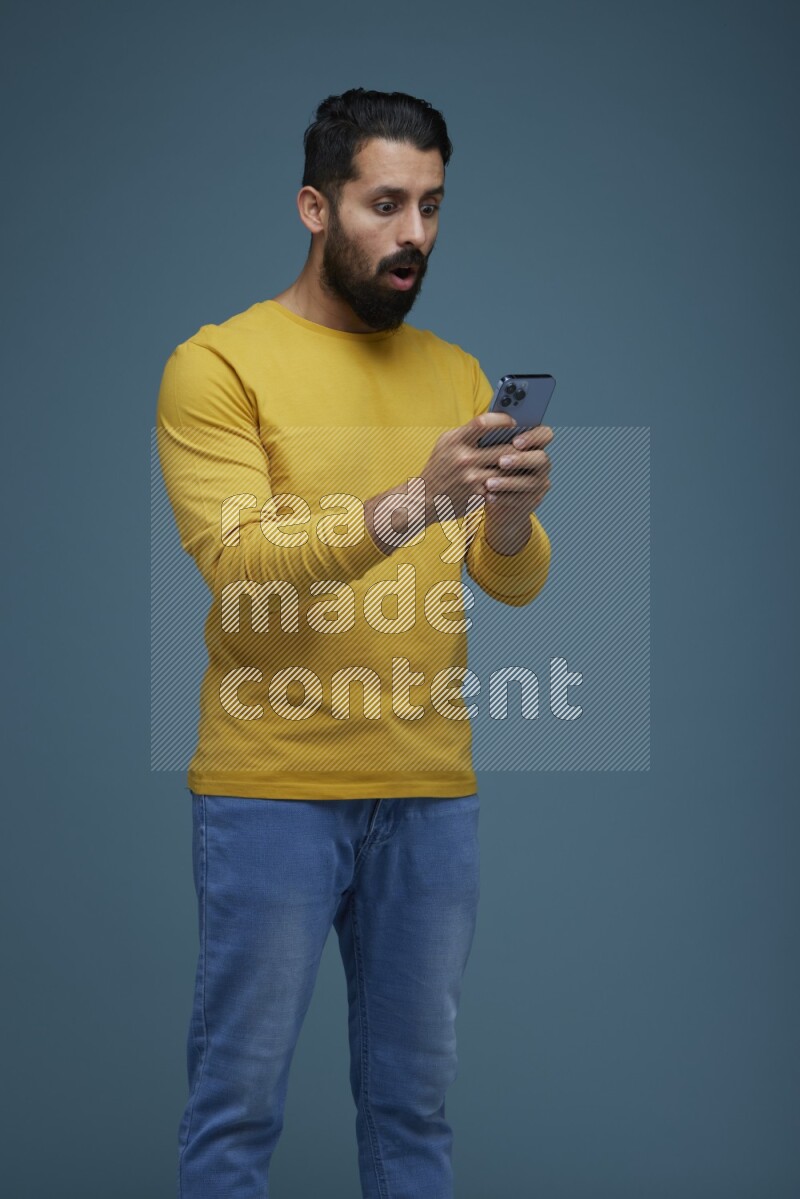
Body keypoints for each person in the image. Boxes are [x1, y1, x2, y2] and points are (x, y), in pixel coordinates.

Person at [156, 86, 554, 1199]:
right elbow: (242, 570)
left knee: (413, 1112)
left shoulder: (455, 372)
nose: (414, 232)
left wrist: (510, 516)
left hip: (428, 794)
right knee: (237, 1108)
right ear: (315, 207)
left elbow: (511, 581)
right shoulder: (218, 366)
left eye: (431, 204)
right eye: (385, 204)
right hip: (272, 790)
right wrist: (415, 500)